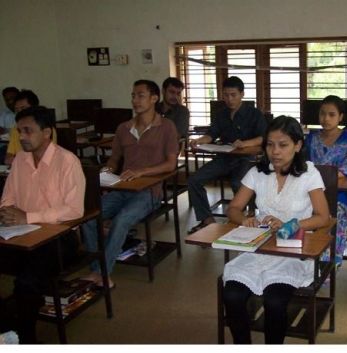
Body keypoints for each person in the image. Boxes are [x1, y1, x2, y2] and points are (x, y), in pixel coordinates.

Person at [222, 116, 330, 344]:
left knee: (275, 301)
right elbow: (234, 208)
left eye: (283, 145)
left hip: (295, 251)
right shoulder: (258, 172)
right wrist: (244, 220)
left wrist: (292, 225)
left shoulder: (309, 174)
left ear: (298, 145)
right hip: (260, 247)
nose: (275, 152)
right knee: (231, 294)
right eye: (270, 144)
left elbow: (322, 217)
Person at [0, 106, 85, 343]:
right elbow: (7, 198)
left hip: (59, 238)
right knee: (23, 281)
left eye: (28, 130)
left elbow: (74, 210)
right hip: (20, 234)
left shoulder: (67, 161)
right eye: (19, 131)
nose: (22, 137)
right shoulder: (20, 161)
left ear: (47, 132)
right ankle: (8, 329)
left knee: (27, 281)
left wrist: (27, 217)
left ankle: (25, 339)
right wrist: (6, 213)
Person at [82, 80, 178, 287]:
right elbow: (114, 160)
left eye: (140, 95)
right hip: (122, 188)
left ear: (154, 98)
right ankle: (96, 268)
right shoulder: (124, 128)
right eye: (133, 95)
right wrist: (105, 173)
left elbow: (171, 164)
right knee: (88, 217)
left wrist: (142, 171)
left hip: (149, 192)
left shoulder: (167, 127)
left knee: (122, 220)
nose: (135, 100)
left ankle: (103, 272)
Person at [187, 76, 267, 234]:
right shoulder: (221, 114)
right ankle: (207, 220)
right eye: (226, 95)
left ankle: (242, 220)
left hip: (247, 159)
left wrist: (246, 143)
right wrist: (199, 140)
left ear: (242, 94)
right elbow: (212, 134)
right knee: (194, 180)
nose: (229, 99)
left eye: (233, 95)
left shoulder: (254, 114)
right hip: (225, 158)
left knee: (239, 183)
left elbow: (264, 137)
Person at [304, 95, 347, 266]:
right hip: (313, 190)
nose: (326, 118)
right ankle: (305, 257)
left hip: (343, 192)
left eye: (331, 114)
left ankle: (329, 262)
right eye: (322, 114)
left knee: (336, 211)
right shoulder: (311, 138)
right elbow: (304, 166)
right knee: (298, 206)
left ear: (341, 117)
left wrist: (323, 176)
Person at [4, 90, 57, 165]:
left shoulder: (45, 129)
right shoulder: (15, 129)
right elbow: (9, 156)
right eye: (17, 110)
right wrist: (11, 159)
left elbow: (49, 156)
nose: (20, 113)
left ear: (34, 108)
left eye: (23, 109)